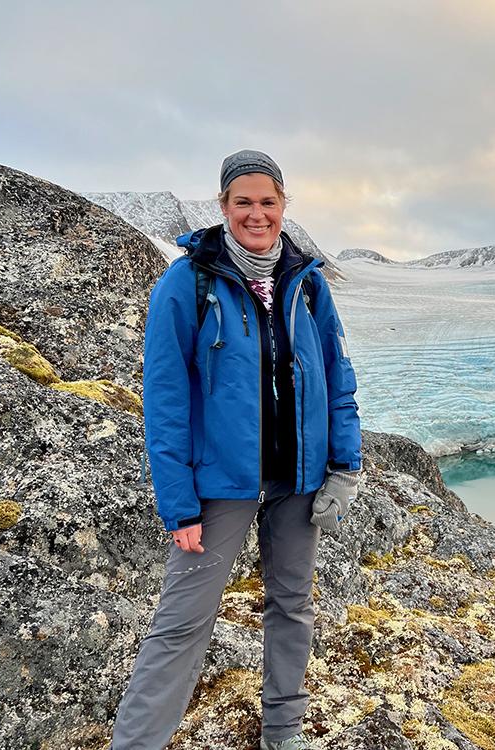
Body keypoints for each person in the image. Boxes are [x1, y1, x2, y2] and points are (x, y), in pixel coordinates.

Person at [111, 149, 362, 750]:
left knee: (292, 606)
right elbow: (166, 398)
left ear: (284, 206)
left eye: (268, 202)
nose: (257, 214)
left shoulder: (306, 283)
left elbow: (337, 374)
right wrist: (179, 502)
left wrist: (344, 465)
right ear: (222, 207)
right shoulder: (188, 282)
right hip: (220, 484)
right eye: (243, 202)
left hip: (297, 480)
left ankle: (282, 733)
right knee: (182, 623)